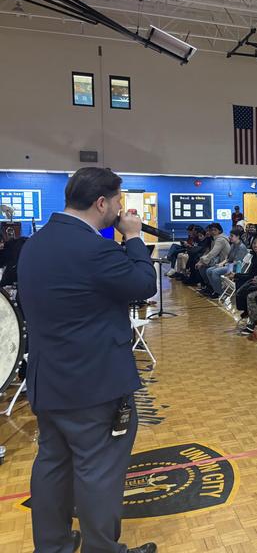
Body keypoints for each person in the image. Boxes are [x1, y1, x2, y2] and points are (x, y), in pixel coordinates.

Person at [17, 167, 157, 553]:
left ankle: (54, 545)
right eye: (118, 201)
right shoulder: (94, 249)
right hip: (94, 385)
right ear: (102, 203)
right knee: (99, 471)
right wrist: (132, 237)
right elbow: (144, 284)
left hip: (49, 378)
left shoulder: (36, 243)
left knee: (52, 465)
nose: (120, 208)